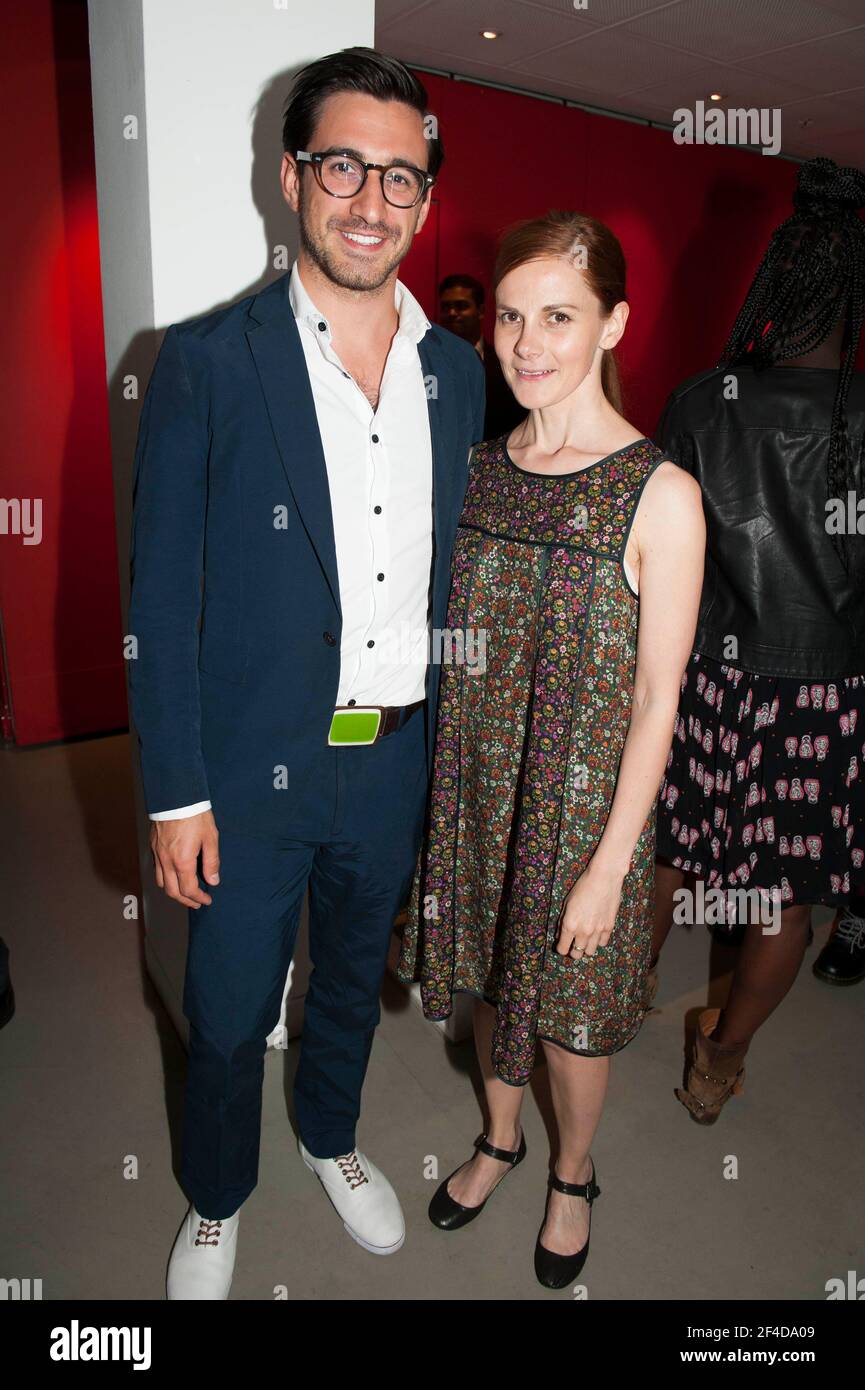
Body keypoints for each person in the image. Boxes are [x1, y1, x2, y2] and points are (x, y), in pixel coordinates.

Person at [127, 47, 484, 1299]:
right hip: (246, 766)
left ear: (426, 199)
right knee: (225, 1010)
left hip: (391, 759)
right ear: (292, 178)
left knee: (349, 985)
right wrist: (174, 791)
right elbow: (161, 597)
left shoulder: (457, 374)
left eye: (401, 175)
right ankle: (217, 1197)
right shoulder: (207, 362)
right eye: (343, 164)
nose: (370, 199)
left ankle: (330, 1139)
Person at [397, 210, 705, 1288]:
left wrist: (612, 865)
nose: (528, 343)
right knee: (484, 981)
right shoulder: (476, 469)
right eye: (513, 316)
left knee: (570, 1019)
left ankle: (571, 1170)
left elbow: (660, 697)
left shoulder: (659, 493)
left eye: (560, 317)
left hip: (584, 812)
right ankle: (497, 1136)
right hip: (477, 785)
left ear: (614, 324)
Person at [648, 157, 865, 1123]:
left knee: (664, 857)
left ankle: (596, 1018)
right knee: (785, 900)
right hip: (829, 699)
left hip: (709, 684)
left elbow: (648, 563)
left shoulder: (704, 403)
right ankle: (717, 1065)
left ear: (772, 284)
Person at [439, 273, 525, 439]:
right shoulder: (425, 363)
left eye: (461, 306)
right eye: (445, 307)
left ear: (481, 311)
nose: (452, 313)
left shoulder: (506, 363)